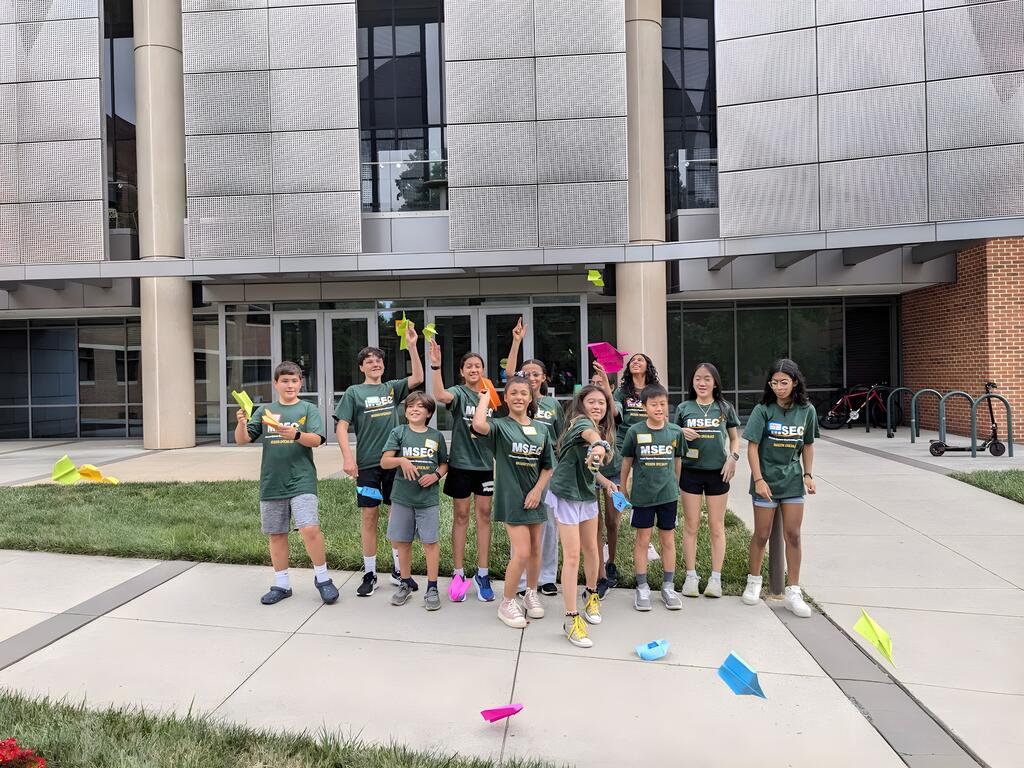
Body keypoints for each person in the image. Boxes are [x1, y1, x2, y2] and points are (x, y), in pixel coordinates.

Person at [235, 361, 338, 606]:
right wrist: (240, 422)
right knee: (276, 534)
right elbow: (243, 439)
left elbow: (317, 440)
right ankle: (281, 584)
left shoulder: (307, 409)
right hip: (272, 482)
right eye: (285, 381)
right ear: (276, 384)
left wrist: (297, 435)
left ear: (300, 383)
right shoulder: (265, 411)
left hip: (302, 479)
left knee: (309, 528)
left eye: (294, 381)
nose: (289, 385)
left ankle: (323, 579)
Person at [335, 323, 423, 598]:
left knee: (396, 516)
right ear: (361, 367)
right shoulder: (354, 392)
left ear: (384, 365)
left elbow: (418, 377)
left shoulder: (391, 388)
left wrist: (412, 345)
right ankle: (370, 573)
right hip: (368, 465)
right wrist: (348, 458)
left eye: (378, 360)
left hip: (393, 464)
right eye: (368, 361)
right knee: (369, 516)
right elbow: (341, 426)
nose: (375, 364)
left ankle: (399, 571)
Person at [472, 375, 555, 628]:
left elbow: (548, 467)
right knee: (521, 552)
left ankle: (531, 593)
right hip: (512, 498)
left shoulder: (541, 429)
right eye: (514, 393)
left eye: (524, 393)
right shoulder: (500, 426)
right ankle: (507, 602)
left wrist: (538, 491)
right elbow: (478, 426)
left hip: (535, 499)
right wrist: (485, 401)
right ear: (506, 398)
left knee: (536, 551)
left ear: (531, 398)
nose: (519, 397)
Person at [742, 358, 818, 618]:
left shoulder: (807, 410)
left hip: (793, 481)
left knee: (793, 534)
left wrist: (808, 474)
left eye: (784, 382)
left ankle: (793, 591)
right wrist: (759, 479)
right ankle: (754, 581)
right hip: (766, 481)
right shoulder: (763, 409)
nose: (778, 387)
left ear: (794, 382)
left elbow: (807, 444)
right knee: (761, 534)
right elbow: (752, 446)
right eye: (774, 382)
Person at [546, 383, 617, 648]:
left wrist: (605, 481)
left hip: (586, 493)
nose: (597, 406)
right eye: (592, 402)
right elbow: (589, 437)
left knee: (593, 549)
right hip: (566, 494)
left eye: (602, 403)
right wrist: (598, 445)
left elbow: (590, 463)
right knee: (573, 554)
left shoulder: (601, 429)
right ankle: (570, 618)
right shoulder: (580, 423)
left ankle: (591, 596)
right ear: (582, 405)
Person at [428, 340, 496, 602]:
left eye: (477, 366)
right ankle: (458, 573)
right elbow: (440, 396)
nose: (473, 369)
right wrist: (436, 365)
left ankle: (482, 573)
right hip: (460, 464)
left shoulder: (490, 394)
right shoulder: (458, 392)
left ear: (483, 370)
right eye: (469, 366)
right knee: (461, 515)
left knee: (484, 516)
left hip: (484, 466)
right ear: (461, 371)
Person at [504, 317, 565, 596]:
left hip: (546, 471)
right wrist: (516, 341)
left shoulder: (553, 404)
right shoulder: (517, 399)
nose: (530, 377)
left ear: (544, 378)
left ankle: (546, 577)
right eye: (525, 373)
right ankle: (518, 581)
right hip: (517, 469)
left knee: (547, 524)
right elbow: (509, 376)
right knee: (519, 525)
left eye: (535, 373)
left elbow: (561, 437)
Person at [675, 362, 740, 599]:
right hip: (690, 473)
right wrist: (679, 431)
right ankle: (691, 576)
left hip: (718, 473)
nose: (702, 383)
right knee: (691, 525)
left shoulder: (724, 407)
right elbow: (672, 435)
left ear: (715, 382)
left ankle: (715, 578)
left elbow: (734, 438)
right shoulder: (684, 408)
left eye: (707, 379)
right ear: (692, 382)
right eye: (697, 379)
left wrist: (733, 458)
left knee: (716, 526)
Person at [380, 392, 449, 611]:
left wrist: (436, 476)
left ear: (429, 412)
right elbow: (384, 462)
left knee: (429, 542)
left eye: (420, 406)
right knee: (403, 542)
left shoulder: (436, 436)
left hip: (427, 499)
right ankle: (406, 582)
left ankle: (432, 587)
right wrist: (401, 460)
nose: (414, 409)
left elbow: (444, 464)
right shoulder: (398, 432)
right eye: (410, 406)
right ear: (405, 410)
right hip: (402, 497)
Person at [602, 353, 663, 592]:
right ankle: (612, 543)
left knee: (648, 490)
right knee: (620, 495)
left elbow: (661, 413)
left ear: (648, 365)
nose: (635, 362)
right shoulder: (622, 391)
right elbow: (615, 413)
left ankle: (646, 541)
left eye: (640, 359)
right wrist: (606, 384)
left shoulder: (655, 389)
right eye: (633, 360)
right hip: (624, 443)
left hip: (650, 441)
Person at [620, 384, 684, 611]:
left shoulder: (675, 432)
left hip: (668, 496)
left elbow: (677, 461)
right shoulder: (635, 432)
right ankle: (642, 586)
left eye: (663, 404)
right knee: (642, 540)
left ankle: (668, 586)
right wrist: (623, 485)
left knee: (668, 540)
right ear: (644, 406)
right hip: (643, 497)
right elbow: (627, 460)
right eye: (654, 404)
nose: (659, 408)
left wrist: (674, 485)